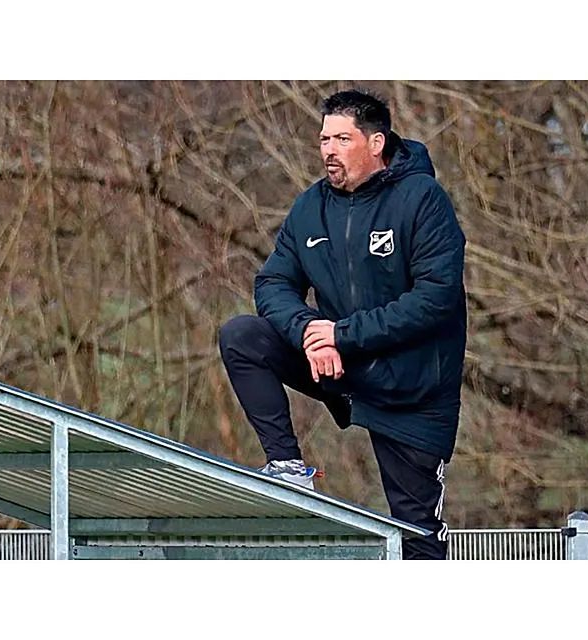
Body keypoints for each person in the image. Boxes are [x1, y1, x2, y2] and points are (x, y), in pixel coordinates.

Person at [218, 89, 467, 560]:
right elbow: (273, 282)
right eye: (324, 139)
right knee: (242, 336)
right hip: (339, 368)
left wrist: (342, 334)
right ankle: (288, 465)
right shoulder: (310, 207)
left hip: (411, 391)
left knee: (416, 538)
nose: (329, 149)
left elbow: (435, 299)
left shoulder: (423, 200)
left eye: (342, 138)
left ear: (376, 143)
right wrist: (312, 332)